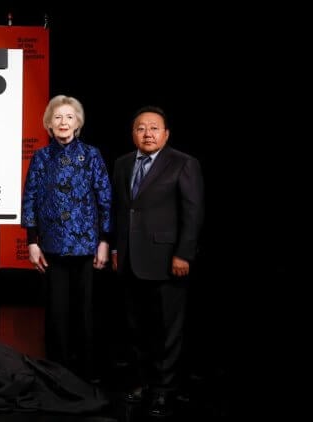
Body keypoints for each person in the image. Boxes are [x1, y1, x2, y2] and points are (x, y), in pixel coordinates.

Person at [111, 106, 204, 418]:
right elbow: (120, 210)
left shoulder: (183, 163)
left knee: (166, 330)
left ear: (166, 134)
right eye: (141, 128)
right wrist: (116, 250)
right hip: (129, 260)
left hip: (167, 260)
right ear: (133, 133)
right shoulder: (123, 164)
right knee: (135, 327)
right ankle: (140, 382)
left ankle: (163, 390)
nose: (147, 133)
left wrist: (184, 254)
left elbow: (193, 212)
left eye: (154, 128)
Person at [21, 95, 111, 383]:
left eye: (69, 117)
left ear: (78, 123)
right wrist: (32, 241)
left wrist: (105, 241)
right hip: (52, 246)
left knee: (86, 312)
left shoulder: (92, 155)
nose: (63, 122)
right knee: (56, 313)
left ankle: (86, 372)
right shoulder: (41, 157)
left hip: (87, 246)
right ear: (49, 123)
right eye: (58, 117)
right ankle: (56, 372)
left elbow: (105, 198)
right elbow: (30, 198)